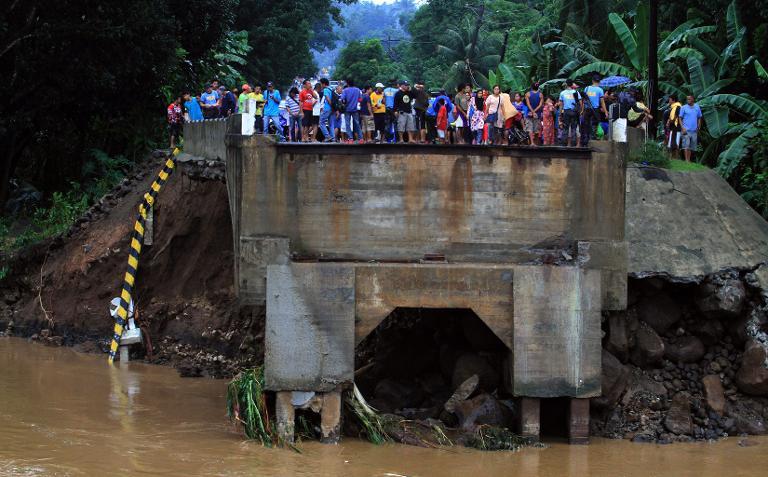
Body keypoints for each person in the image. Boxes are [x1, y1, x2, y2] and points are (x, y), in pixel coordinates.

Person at [581, 75, 607, 146]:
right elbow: (602, 102)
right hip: (595, 110)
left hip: (587, 110)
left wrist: (582, 110)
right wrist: (606, 112)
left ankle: (586, 142)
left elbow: (584, 101)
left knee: (586, 125)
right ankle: (592, 142)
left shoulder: (586, 88)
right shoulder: (600, 90)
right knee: (594, 126)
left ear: (592, 81)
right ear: (599, 81)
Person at [679, 95, 702, 163]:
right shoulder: (683, 107)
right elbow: (680, 118)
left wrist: (699, 126)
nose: (688, 100)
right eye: (687, 99)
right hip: (686, 129)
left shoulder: (697, 107)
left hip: (694, 130)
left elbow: (699, 117)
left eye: (689, 99)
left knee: (691, 147)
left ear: (693, 99)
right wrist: (682, 128)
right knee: (686, 145)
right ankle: (687, 160)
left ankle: (688, 160)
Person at [558, 80, 581, 147]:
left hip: (566, 112)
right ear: (572, 85)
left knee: (566, 128)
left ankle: (564, 143)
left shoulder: (562, 93)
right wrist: (580, 111)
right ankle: (573, 142)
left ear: (566, 84)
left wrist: (560, 113)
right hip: (574, 112)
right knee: (574, 128)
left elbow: (561, 104)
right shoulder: (576, 92)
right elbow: (580, 103)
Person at [341, 79, 363, 143]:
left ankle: (350, 138)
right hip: (355, 109)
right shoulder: (357, 90)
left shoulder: (345, 90)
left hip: (347, 109)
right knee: (357, 123)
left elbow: (342, 99)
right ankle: (361, 138)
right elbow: (360, 99)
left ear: (347, 83)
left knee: (347, 124)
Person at [666, 94, 682, 158]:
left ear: (673, 100)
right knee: (672, 143)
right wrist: (668, 122)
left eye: (670, 99)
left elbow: (676, 115)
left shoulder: (678, 106)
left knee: (676, 143)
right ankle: (672, 158)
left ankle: (676, 158)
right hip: (673, 128)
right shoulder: (673, 107)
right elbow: (671, 116)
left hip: (676, 127)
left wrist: (671, 121)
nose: (669, 101)